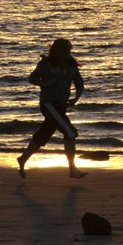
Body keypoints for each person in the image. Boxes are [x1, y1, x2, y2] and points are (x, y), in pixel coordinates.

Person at [17, 38, 87, 179]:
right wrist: (46, 83)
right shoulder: (46, 63)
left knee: (44, 133)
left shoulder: (71, 65)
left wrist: (76, 98)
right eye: (64, 51)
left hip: (61, 106)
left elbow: (80, 84)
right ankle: (72, 170)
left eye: (69, 51)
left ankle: (23, 158)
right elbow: (32, 78)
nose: (67, 53)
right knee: (70, 133)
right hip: (48, 104)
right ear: (56, 50)